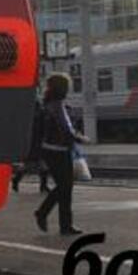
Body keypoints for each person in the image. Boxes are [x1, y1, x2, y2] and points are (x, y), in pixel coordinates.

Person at [33, 72, 86, 236]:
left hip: (50, 151)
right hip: (59, 152)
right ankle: (47, 215)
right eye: (67, 86)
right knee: (65, 187)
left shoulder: (48, 104)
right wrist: (81, 138)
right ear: (62, 88)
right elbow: (66, 129)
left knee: (64, 187)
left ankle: (63, 224)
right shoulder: (57, 106)